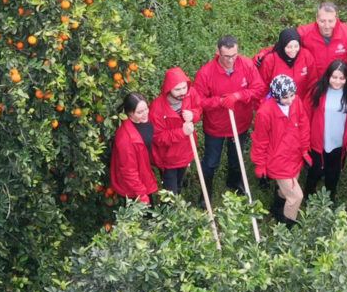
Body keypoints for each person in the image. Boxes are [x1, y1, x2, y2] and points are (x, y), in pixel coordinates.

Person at [191, 35, 265, 196]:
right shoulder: (206, 73)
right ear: (217, 52)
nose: (231, 60)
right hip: (215, 127)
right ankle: (206, 193)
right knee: (211, 161)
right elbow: (198, 101)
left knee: (236, 156)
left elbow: (259, 89)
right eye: (226, 56)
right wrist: (219, 101)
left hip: (239, 123)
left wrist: (238, 96)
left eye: (234, 55)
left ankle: (234, 181)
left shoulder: (246, 65)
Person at [251, 75, 310, 226]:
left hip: (295, 155)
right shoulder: (264, 113)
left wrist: (304, 151)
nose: (290, 100)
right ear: (276, 96)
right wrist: (260, 165)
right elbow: (260, 141)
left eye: (292, 95)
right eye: (285, 97)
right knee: (296, 197)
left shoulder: (296, 101)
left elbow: (303, 125)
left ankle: (276, 208)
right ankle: (287, 226)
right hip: (278, 161)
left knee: (285, 192)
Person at [306, 60, 347, 201]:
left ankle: (330, 195)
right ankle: (309, 194)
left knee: (333, 172)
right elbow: (305, 116)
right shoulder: (317, 91)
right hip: (318, 141)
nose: (337, 81)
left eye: (342, 78)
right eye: (334, 77)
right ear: (328, 76)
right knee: (314, 170)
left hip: (339, 143)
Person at [149, 67, 201, 195]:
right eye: (177, 89)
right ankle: (169, 212)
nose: (183, 92)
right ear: (168, 89)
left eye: (184, 87)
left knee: (178, 185)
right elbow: (158, 137)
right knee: (170, 193)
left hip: (186, 151)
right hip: (168, 158)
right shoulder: (156, 108)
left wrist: (193, 115)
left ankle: (178, 197)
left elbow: (198, 108)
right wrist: (182, 132)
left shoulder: (190, 93)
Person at [110, 91, 158, 204]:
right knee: (146, 219)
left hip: (144, 176)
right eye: (140, 112)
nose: (145, 113)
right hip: (134, 188)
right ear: (129, 113)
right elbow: (128, 171)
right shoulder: (125, 138)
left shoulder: (145, 120)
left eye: (146, 109)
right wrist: (141, 195)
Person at [297, 1, 347, 82]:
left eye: (330, 21)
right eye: (322, 21)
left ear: (336, 19)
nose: (327, 26)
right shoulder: (303, 33)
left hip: (339, 84)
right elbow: (284, 48)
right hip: (314, 84)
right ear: (317, 18)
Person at [253, 28, 314, 99]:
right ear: (282, 45)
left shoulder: (306, 56)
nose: (293, 50)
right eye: (289, 47)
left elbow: (312, 83)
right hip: (276, 106)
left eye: (296, 46)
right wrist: (265, 107)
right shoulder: (271, 60)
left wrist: (306, 106)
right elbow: (262, 87)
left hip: (300, 105)